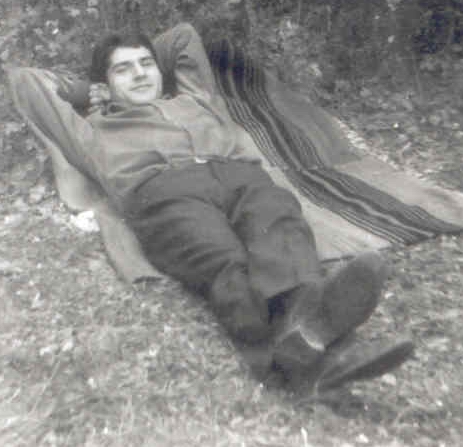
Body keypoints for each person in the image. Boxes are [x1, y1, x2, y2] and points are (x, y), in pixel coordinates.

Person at [32, 23, 413, 394]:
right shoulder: (92, 127)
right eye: (123, 69)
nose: (140, 74)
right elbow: (29, 84)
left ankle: (308, 337)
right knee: (223, 259)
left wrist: (137, 62)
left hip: (238, 175)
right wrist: (89, 90)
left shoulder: (195, 98)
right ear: (105, 84)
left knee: (279, 225)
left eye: (147, 64)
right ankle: (324, 355)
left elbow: (183, 36)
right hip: (163, 191)